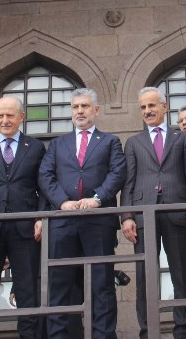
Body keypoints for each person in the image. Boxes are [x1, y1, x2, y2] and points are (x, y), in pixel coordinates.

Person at [38, 88, 126, 339]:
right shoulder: (58, 144)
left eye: (85, 106)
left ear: (96, 110)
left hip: (98, 222)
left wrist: (97, 199)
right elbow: (45, 175)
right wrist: (62, 202)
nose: (80, 111)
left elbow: (117, 173)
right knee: (59, 285)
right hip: (63, 221)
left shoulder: (110, 141)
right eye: (75, 107)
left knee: (102, 284)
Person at [121, 87, 186, 338]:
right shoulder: (133, 143)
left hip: (177, 211)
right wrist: (127, 217)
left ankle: (184, 331)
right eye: (143, 107)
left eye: (152, 106)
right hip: (143, 215)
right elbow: (128, 182)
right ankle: (148, 331)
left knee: (182, 275)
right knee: (145, 277)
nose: (147, 111)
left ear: (164, 107)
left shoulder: (182, 138)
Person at [0, 96, 46, 338]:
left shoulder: (35, 147)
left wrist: (40, 217)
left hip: (25, 228)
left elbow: (43, 186)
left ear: (21, 117)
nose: (4, 120)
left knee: (27, 288)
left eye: (10, 115)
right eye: (0, 116)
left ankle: (29, 335)